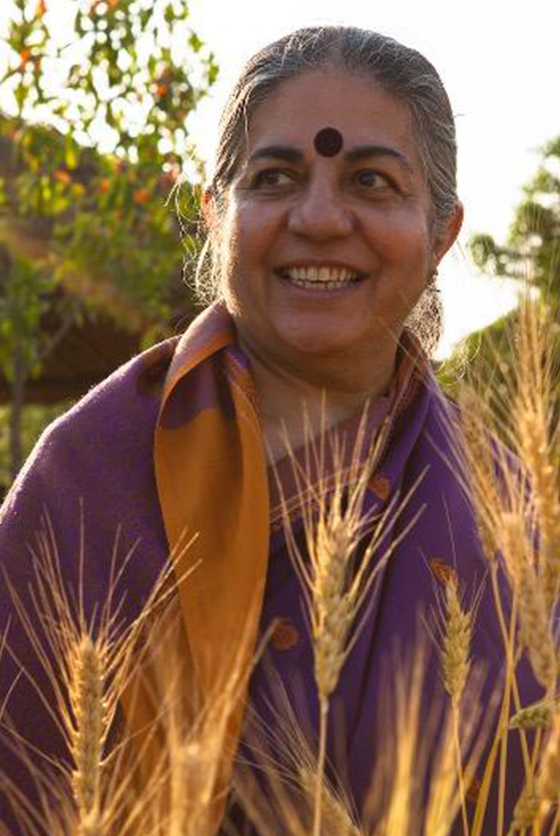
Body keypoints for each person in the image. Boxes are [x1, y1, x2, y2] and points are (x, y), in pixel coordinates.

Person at [0, 25, 542, 836]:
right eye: (277, 177)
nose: (321, 218)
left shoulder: (505, 513)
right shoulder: (89, 477)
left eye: (371, 180)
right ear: (218, 215)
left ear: (443, 233)